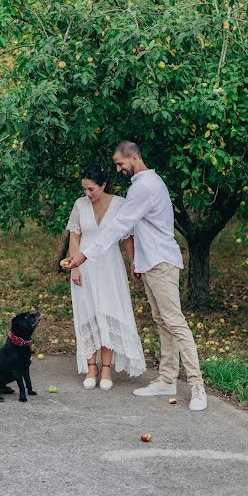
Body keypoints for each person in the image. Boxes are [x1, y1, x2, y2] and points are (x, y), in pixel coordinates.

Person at [66, 142, 207, 411]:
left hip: (162, 261)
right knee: (162, 321)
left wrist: (83, 256)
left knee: (175, 322)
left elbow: (120, 226)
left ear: (133, 157)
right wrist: (137, 262)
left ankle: (197, 385)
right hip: (151, 261)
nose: (118, 169)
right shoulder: (142, 184)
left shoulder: (145, 186)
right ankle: (167, 379)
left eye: (121, 163)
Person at [66, 164, 146, 391]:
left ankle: (107, 369)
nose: (87, 194)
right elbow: (74, 237)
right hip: (85, 267)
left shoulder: (120, 205)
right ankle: (91, 367)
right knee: (87, 314)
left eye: (91, 189)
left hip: (111, 268)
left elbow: (127, 238)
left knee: (109, 312)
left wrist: (133, 263)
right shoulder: (80, 205)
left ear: (103, 185)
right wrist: (74, 267)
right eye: (84, 190)